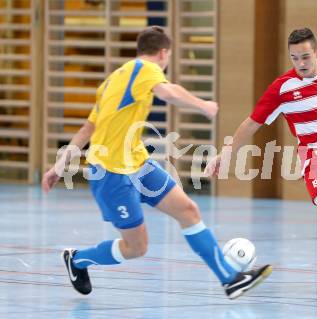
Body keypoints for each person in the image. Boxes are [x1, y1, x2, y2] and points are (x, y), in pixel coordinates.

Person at [42, 26, 271, 300]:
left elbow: (87, 129)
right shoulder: (146, 69)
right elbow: (168, 92)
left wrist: (58, 166)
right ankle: (78, 260)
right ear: (163, 53)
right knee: (137, 247)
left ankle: (230, 280)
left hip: (138, 163)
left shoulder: (113, 79)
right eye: (168, 57)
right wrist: (203, 105)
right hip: (110, 173)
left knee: (188, 209)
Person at [205, 28, 317, 295]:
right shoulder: (282, 89)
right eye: (294, 58)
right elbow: (251, 124)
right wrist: (227, 153)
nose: (301, 64)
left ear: (316, 53)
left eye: (305, 57)